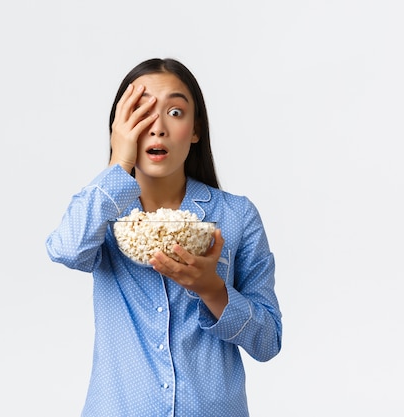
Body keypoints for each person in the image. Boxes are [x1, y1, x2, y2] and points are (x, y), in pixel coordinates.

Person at [46, 58, 282, 416]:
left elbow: (268, 341)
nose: (157, 128)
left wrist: (212, 290)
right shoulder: (103, 213)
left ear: (196, 129)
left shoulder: (236, 217)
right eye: (140, 113)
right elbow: (65, 249)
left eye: (174, 111)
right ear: (120, 128)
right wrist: (118, 162)